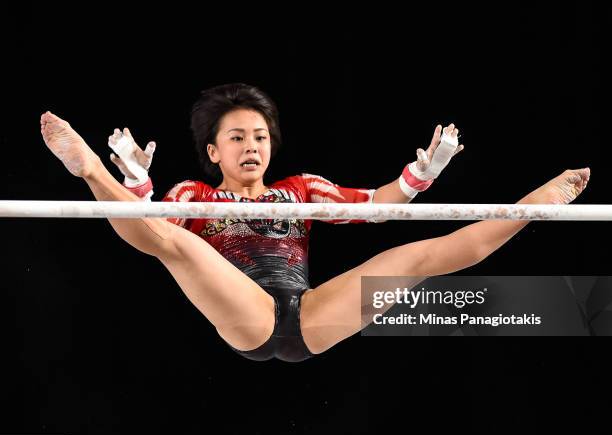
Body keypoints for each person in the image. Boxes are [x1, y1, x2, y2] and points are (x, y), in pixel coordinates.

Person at [40, 83, 590, 362]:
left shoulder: (300, 191)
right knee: (175, 245)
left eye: (259, 137)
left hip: (308, 318)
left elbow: (379, 204)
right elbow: (149, 229)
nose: (251, 146)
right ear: (213, 151)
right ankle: (86, 167)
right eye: (237, 137)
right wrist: (134, 183)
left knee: (422, 256)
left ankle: (540, 201)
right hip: (246, 319)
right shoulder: (194, 193)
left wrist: (425, 171)